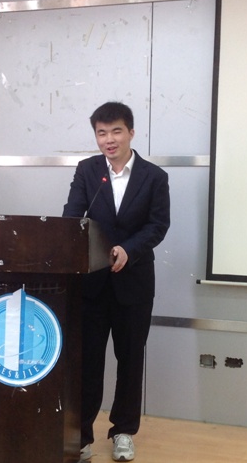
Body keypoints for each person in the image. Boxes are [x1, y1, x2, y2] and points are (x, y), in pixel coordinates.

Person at [63, 101, 170, 461]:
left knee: (130, 361)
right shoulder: (88, 171)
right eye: (101, 133)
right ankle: (81, 436)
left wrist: (129, 249)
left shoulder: (154, 177)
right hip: (92, 285)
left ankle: (123, 431)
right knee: (87, 364)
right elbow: (72, 217)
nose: (109, 139)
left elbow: (158, 225)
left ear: (131, 133)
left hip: (134, 284)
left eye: (116, 131)